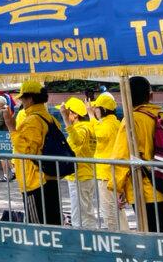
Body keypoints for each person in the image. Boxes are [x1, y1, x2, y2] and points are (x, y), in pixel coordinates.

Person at [108, 76, 163, 233]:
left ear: (126, 97)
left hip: (145, 188)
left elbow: (121, 156)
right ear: (150, 95)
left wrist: (117, 188)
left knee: (151, 234)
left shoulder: (132, 120)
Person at [5, 80, 62, 226]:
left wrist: (12, 128)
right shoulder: (50, 118)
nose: (21, 102)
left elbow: (26, 150)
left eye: (22, 98)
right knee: (53, 223)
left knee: (37, 226)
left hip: (34, 180)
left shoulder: (32, 120)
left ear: (30, 98)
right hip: (49, 175)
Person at [90, 92, 128, 231]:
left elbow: (98, 134)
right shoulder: (115, 122)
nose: (95, 111)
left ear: (103, 109)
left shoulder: (108, 124)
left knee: (109, 211)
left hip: (107, 174)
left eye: (96, 108)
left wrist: (90, 117)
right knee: (117, 209)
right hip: (112, 172)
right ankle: (125, 234)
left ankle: (117, 238)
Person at [57, 97, 97, 228]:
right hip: (85, 174)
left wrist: (65, 119)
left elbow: (76, 140)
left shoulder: (82, 128)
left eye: (67, 112)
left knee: (79, 214)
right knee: (86, 212)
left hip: (79, 176)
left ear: (74, 114)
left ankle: (82, 240)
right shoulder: (88, 127)